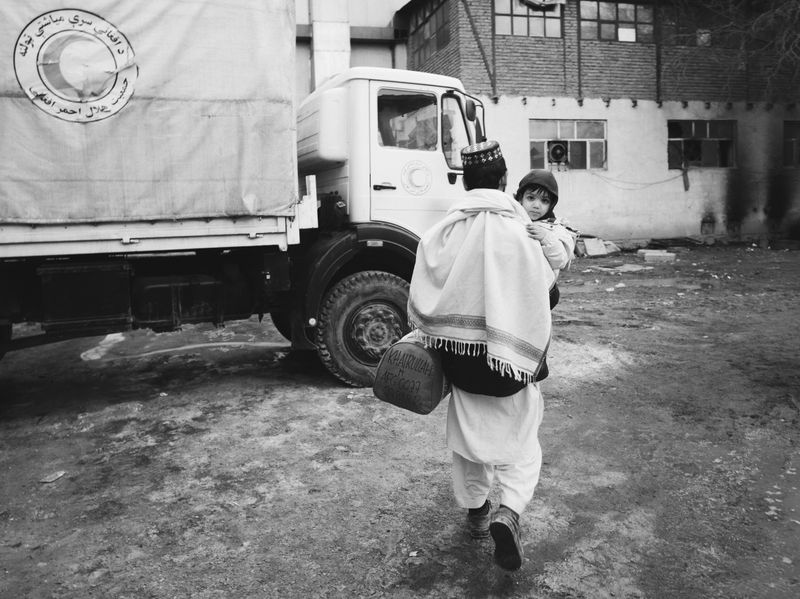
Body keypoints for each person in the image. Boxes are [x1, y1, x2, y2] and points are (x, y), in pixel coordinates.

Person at [407, 140, 555, 571]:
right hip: (508, 362)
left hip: (460, 362)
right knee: (522, 442)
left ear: (466, 182)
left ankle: (476, 513)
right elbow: (547, 291)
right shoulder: (520, 230)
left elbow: (423, 290)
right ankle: (508, 511)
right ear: (505, 180)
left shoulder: (444, 231)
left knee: (469, 439)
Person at [515, 169, 578, 380]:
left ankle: (536, 366)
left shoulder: (553, 228)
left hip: (542, 292)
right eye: (530, 198)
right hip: (518, 290)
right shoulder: (513, 221)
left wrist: (545, 238)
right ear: (520, 198)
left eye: (544, 201)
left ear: (551, 205)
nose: (536, 205)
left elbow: (560, 258)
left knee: (536, 330)